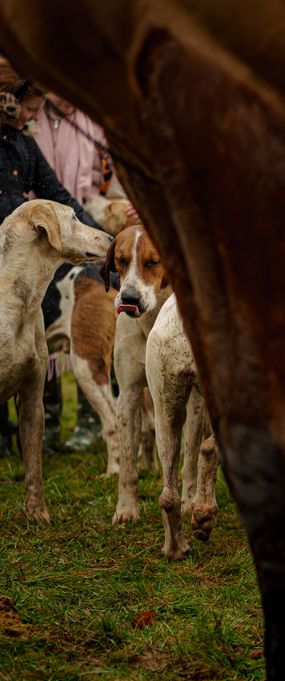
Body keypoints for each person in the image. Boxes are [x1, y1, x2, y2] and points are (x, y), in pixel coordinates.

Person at [0, 61, 101, 458]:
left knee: (35, 340)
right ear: (7, 101)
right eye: (28, 108)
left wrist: (99, 237)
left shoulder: (25, 146)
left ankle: (39, 431)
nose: (32, 116)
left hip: (25, 271)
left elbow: (58, 195)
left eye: (36, 110)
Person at [33, 93, 109, 452]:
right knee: (42, 328)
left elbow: (109, 175)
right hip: (40, 234)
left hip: (85, 231)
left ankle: (90, 421)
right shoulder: (28, 117)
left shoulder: (91, 119)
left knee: (86, 327)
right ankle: (46, 423)